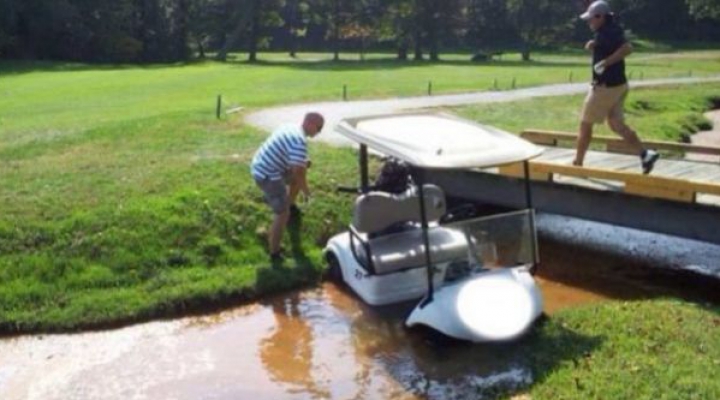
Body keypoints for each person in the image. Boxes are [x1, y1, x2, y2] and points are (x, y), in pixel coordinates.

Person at [574, 1, 659, 174]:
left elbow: (627, 48)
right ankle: (645, 154)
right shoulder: (609, 30)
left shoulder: (607, 31)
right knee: (616, 124)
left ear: (601, 17)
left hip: (605, 87)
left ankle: (577, 164)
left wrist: (605, 63)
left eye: (591, 19)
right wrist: (594, 45)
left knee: (585, 124)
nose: (589, 22)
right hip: (619, 85)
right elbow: (612, 46)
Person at [251, 112, 324, 261]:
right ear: (310, 123)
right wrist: (307, 193)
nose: (320, 131)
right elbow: (298, 172)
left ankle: (291, 204)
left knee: (302, 167)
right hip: (267, 175)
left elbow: (298, 165)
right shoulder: (299, 141)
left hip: (262, 164)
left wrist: (302, 165)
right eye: (319, 127)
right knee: (282, 213)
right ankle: (274, 252)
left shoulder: (290, 127)